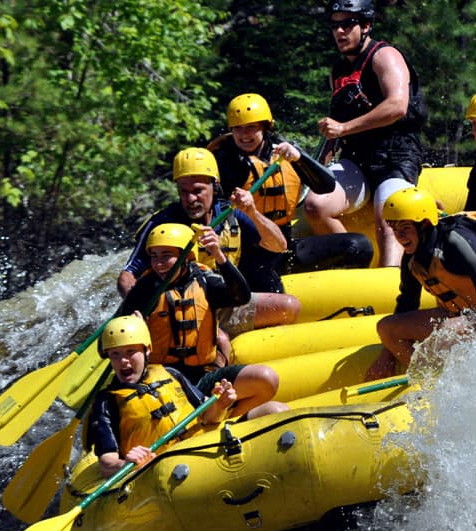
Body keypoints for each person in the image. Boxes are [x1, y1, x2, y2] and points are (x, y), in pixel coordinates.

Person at [118, 147, 300, 338]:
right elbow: (127, 275)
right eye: (184, 191)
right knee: (219, 338)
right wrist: (138, 308)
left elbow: (279, 245)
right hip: (179, 310)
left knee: (289, 306)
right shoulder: (162, 223)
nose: (190, 199)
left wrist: (253, 212)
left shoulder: (231, 213)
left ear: (214, 186)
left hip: (223, 299)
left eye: (198, 191)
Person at [117, 222, 288, 423]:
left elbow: (241, 297)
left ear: (186, 256)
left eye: (167, 256)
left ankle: (223, 420)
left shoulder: (205, 281)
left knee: (267, 378)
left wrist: (220, 257)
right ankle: (208, 417)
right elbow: (111, 342)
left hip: (202, 376)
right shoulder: (145, 290)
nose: (159, 264)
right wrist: (134, 330)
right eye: (154, 256)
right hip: (164, 382)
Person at [303, 0, 428, 267]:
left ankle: (389, 278)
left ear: (366, 25)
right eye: (335, 25)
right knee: (316, 206)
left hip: (396, 156)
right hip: (356, 159)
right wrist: (325, 153)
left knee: (389, 219)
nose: (339, 32)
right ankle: (356, 262)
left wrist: (344, 128)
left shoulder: (385, 56)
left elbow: (397, 106)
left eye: (347, 24)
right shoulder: (338, 71)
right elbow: (337, 124)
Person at [365, 187, 476, 380]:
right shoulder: (411, 258)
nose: (399, 237)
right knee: (386, 328)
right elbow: (407, 304)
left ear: (424, 225)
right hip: (457, 316)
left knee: (447, 332)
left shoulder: (455, 240)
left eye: (405, 228)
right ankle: (424, 381)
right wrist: (387, 354)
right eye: (395, 230)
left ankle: (445, 381)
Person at [209, 92, 374, 272]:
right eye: (238, 128)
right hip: (247, 253)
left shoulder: (282, 152)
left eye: (251, 127)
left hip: (285, 248)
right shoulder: (224, 161)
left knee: (358, 245)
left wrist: (300, 158)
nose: (244, 135)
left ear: (265, 127)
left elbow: (327, 186)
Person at [87, 315, 238, 478]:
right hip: (166, 469)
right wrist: (127, 464)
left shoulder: (170, 373)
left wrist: (220, 405)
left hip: (203, 447)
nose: (123, 361)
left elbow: (209, 418)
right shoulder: (107, 401)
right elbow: (107, 464)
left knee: (269, 409)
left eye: (130, 351)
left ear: (147, 350)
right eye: (115, 354)